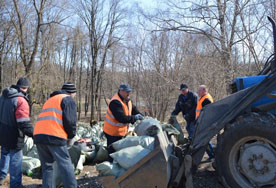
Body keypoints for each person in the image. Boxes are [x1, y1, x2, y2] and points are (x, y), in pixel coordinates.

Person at [33, 82, 77, 188]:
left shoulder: (50, 100)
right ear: (72, 93)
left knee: (47, 167)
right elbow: (70, 121)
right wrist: (71, 136)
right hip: (54, 136)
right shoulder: (67, 99)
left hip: (39, 136)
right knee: (66, 166)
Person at [0, 77, 33, 187]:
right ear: (26, 88)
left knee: (5, 153)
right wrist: (34, 134)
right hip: (15, 135)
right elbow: (23, 123)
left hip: (3, 132)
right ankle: (15, 185)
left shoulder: (3, 96)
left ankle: (1, 176)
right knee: (16, 161)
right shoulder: (20, 100)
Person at [103, 84, 144, 154]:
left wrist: (141, 116)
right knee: (112, 153)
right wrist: (135, 118)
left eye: (129, 91)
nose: (129, 93)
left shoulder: (127, 100)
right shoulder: (115, 102)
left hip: (121, 132)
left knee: (119, 152)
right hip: (112, 133)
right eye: (127, 92)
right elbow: (121, 118)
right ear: (120, 91)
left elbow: (133, 109)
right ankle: (110, 163)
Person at [196, 85, 215, 161]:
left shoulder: (206, 99)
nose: (198, 92)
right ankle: (212, 155)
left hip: (205, 123)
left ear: (204, 91)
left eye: (199, 90)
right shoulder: (203, 98)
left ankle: (212, 155)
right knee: (206, 140)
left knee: (205, 140)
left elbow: (206, 113)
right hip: (203, 122)